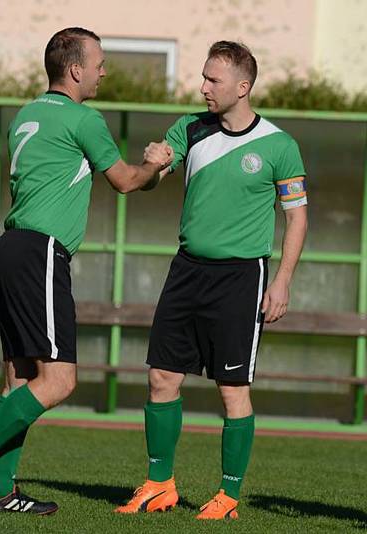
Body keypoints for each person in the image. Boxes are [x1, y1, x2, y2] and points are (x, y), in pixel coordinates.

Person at [0, 27, 172, 515]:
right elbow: (127, 183)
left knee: (22, 382)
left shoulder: (27, 114)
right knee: (60, 380)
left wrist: (151, 175)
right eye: (99, 62)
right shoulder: (84, 119)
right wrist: (152, 164)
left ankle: (0, 493)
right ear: (75, 70)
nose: (103, 71)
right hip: (42, 253)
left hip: (9, 249)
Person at [114, 41, 307, 520]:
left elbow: (297, 219)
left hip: (242, 277)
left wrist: (280, 282)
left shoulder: (280, 146)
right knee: (161, 375)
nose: (203, 87)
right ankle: (160, 485)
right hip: (186, 269)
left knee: (231, 388)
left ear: (243, 87)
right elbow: (152, 179)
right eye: (203, 77)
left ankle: (228, 496)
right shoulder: (190, 129)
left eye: (213, 80)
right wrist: (155, 163)